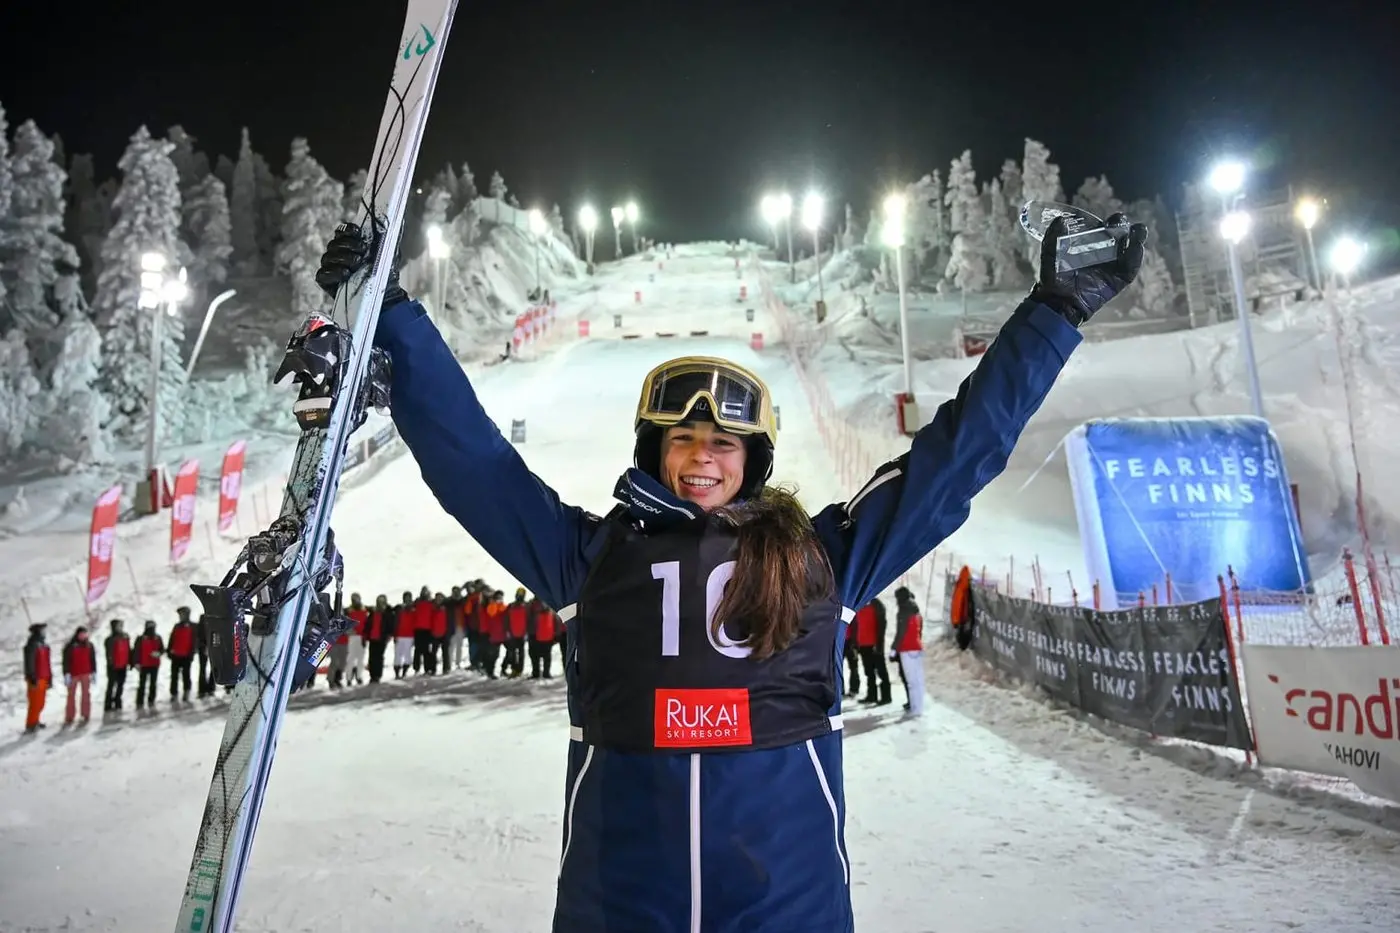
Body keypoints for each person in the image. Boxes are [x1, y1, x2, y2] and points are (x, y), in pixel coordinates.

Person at [314, 211, 1147, 931]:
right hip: (620, 909)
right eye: (683, 440)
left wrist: (1057, 310)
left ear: (753, 460)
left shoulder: (821, 560)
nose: (702, 458)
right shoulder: (589, 560)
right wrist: (393, 316)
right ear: (655, 452)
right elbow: (476, 467)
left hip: (787, 909)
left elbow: (958, 456)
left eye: (723, 443)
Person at [889, 586, 925, 717]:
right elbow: (920, 631)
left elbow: (901, 633)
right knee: (918, 680)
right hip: (917, 647)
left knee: (911, 682)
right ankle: (919, 706)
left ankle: (915, 709)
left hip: (907, 649)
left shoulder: (903, 611)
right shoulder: (916, 610)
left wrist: (894, 649)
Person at [61, 625, 98, 725]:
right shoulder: (70, 646)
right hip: (73, 674)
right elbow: (66, 661)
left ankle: (86, 714)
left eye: (84, 634)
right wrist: (66, 673)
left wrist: (94, 672)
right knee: (71, 695)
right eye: (81, 634)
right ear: (77, 635)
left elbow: (92, 660)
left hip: (86, 673)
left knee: (86, 694)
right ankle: (70, 716)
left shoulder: (89, 645)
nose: (83, 636)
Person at [22, 623, 51, 733]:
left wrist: (50, 677)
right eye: (43, 630)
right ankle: (31, 723)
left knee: (41, 702)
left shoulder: (43, 644)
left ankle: (36, 720)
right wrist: (31, 676)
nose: (45, 632)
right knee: (34, 701)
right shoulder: (32, 645)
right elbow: (30, 662)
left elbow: (47, 662)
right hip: (35, 677)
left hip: (44, 676)